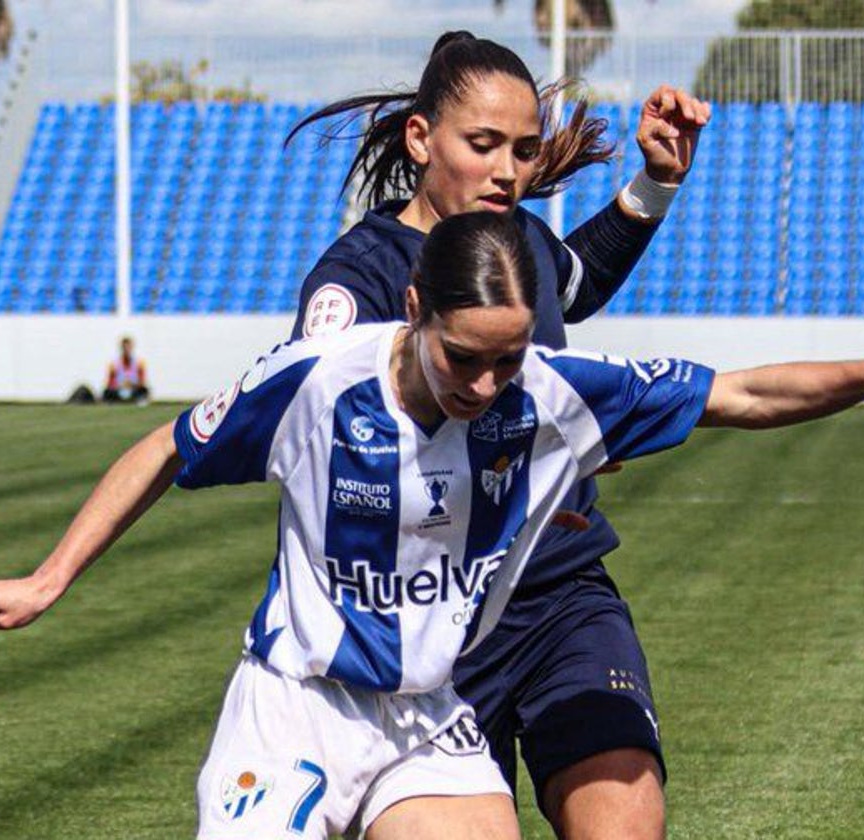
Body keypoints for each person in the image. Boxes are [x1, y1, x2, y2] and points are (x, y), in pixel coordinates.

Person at [0, 213, 864, 840]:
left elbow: (741, 395)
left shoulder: (548, 394)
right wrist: (48, 577)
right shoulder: (313, 385)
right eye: (464, 355)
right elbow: (165, 446)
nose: (485, 382)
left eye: (506, 359)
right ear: (415, 308)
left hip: (429, 718)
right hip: (296, 705)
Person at [286, 31, 711, 839]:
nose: (510, 171)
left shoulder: (515, 246)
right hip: (428, 627)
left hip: (560, 598)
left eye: (522, 149)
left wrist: (656, 183)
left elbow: (574, 279)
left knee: (627, 819)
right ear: (421, 138)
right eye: (484, 146)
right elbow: (327, 454)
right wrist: (519, 465)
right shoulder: (357, 282)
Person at [103, 336, 150, 404]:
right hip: (118, 390)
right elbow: (110, 383)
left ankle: (139, 401)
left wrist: (131, 384)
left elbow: (142, 381)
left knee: (144, 390)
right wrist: (120, 385)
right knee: (107, 391)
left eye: (128, 347)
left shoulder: (139, 363)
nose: (126, 350)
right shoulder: (114, 364)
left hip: (133, 390)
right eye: (124, 347)